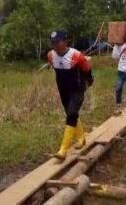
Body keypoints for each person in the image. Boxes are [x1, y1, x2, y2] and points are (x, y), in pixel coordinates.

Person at [47, 28, 93, 160]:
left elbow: (87, 69)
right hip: (63, 90)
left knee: (71, 114)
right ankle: (81, 139)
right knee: (71, 114)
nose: (55, 45)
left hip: (77, 89)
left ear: (65, 42)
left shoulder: (77, 56)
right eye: (53, 43)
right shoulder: (50, 56)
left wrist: (89, 82)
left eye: (57, 42)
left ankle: (63, 150)